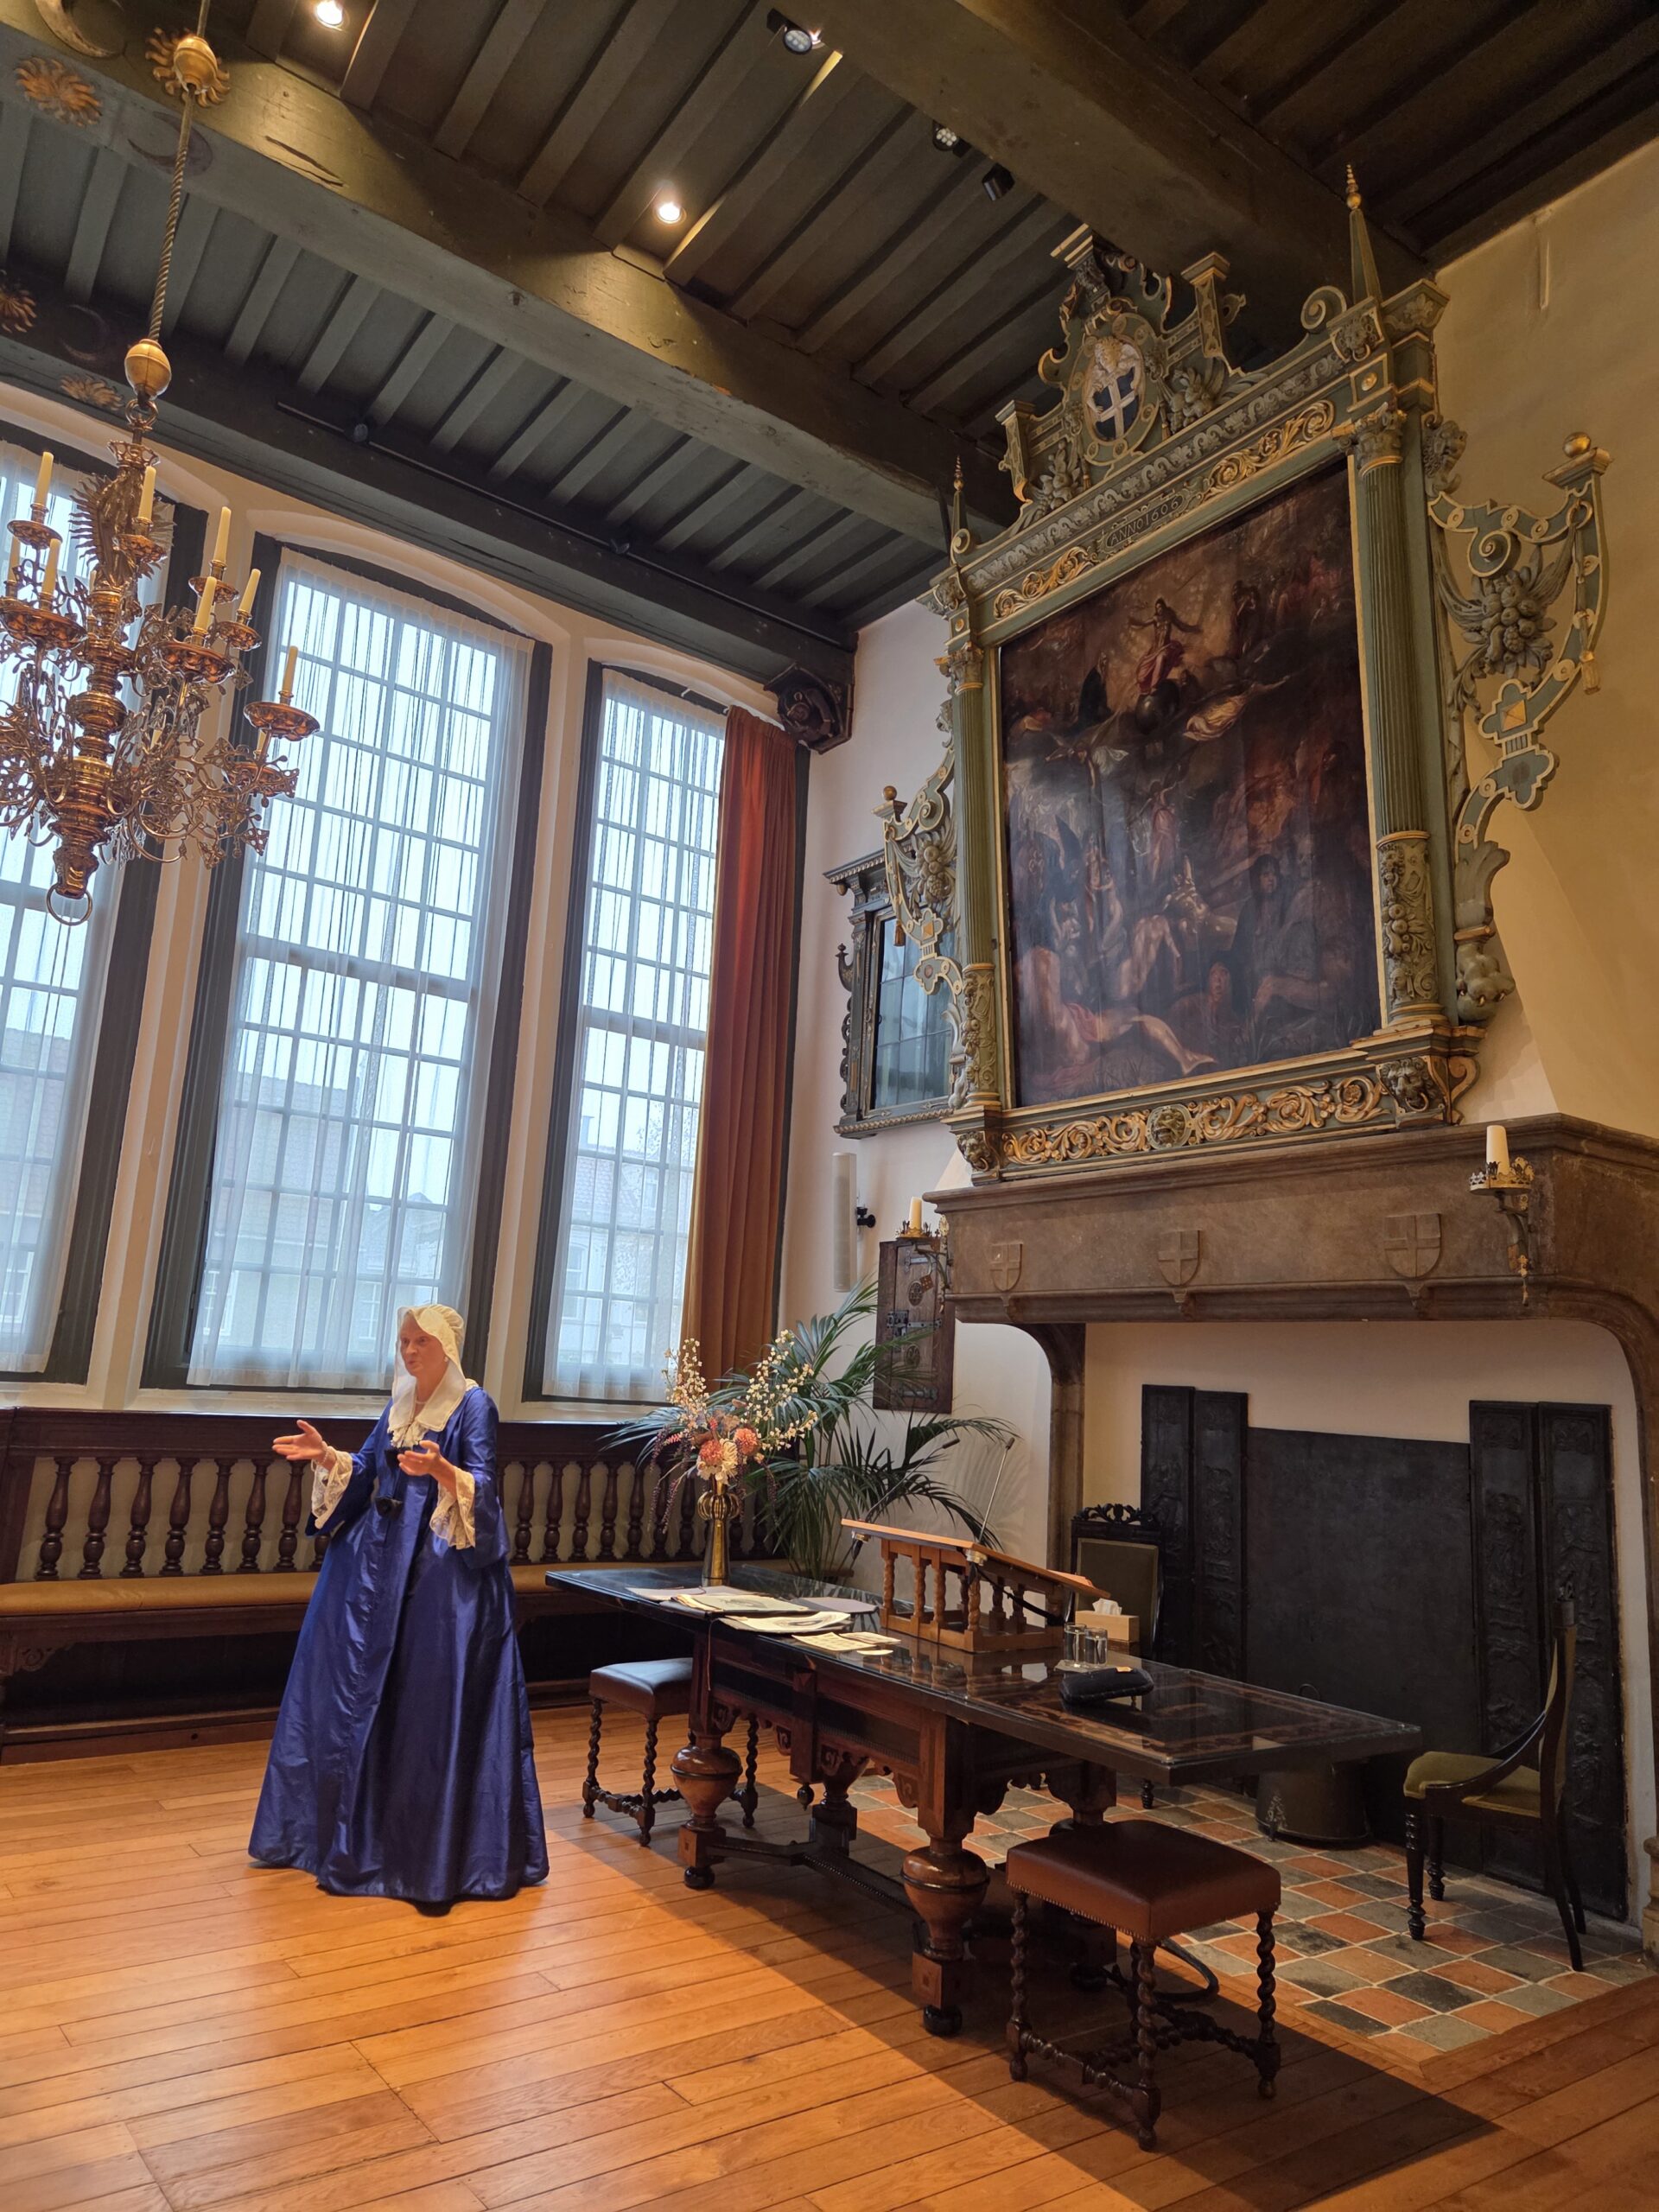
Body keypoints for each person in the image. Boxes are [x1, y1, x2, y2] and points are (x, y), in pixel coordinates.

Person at [250, 1305, 547, 1912]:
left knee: (427, 1707)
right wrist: (330, 1456)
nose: (409, 1352)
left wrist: (443, 1469)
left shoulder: (473, 1406)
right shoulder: (399, 1404)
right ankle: (338, 1834)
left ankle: (425, 1853)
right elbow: (368, 1474)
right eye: (403, 1341)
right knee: (349, 1695)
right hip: (374, 1573)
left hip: (443, 1578)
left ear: (446, 1347)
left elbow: (484, 1487)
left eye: (420, 1342)